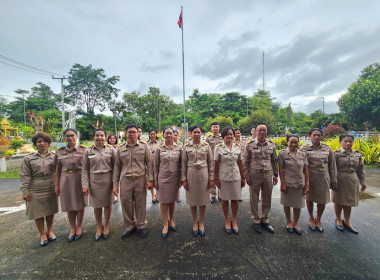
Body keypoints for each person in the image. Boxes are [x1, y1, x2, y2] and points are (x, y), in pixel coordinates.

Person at [113, 124, 153, 239]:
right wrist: (115, 185)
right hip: (126, 180)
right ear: (126, 134)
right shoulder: (120, 149)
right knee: (126, 204)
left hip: (140, 179)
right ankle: (130, 226)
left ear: (137, 133)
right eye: (129, 132)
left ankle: (142, 225)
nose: (132, 134)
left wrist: (150, 180)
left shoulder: (144, 147)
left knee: (141, 203)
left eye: (134, 132)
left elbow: (149, 163)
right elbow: (117, 167)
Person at [20, 132, 58, 246]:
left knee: (50, 211)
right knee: (38, 213)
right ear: (35, 144)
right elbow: (25, 175)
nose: (42, 143)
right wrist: (25, 190)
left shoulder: (54, 156)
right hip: (35, 187)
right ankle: (42, 234)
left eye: (45, 141)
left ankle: (49, 231)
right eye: (39, 141)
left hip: (50, 185)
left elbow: (59, 172)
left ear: (48, 143)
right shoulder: (29, 158)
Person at [300, 128, 337, 232]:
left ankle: (318, 219)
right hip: (310, 177)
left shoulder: (327, 148)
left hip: (323, 177)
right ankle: (311, 218)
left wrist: (334, 180)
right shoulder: (304, 148)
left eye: (319, 135)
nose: (316, 137)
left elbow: (332, 165)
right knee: (309, 198)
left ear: (322, 136)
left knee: (322, 199)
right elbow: (300, 164)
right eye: (314, 135)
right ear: (309, 136)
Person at [82, 128, 115, 241]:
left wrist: (115, 184)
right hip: (94, 181)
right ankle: (98, 227)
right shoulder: (88, 151)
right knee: (96, 206)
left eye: (102, 135)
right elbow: (85, 169)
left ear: (105, 137)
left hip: (107, 180)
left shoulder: (111, 150)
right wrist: (85, 185)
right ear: (94, 137)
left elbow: (115, 168)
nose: (99, 137)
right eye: (97, 135)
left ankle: (106, 225)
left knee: (107, 204)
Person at [244, 122, 278, 234]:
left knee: (267, 197)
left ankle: (265, 218)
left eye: (264, 130)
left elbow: (274, 161)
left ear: (266, 132)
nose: (262, 132)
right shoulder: (249, 144)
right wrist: (247, 176)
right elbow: (246, 161)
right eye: (260, 130)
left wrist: (276, 175)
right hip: (254, 174)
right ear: (256, 131)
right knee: (254, 197)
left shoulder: (271, 144)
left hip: (268, 174)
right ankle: (256, 220)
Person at [55, 128, 87, 242]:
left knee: (80, 204)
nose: (70, 138)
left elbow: (87, 167)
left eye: (72, 135)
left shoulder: (84, 150)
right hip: (66, 180)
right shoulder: (59, 151)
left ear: (77, 136)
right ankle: (72, 228)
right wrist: (57, 186)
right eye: (67, 136)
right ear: (64, 138)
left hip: (79, 178)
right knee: (69, 205)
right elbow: (57, 169)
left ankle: (79, 226)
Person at [181, 125, 214, 237]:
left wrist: (211, 178)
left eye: (198, 132)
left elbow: (210, 163)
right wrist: (184, 180)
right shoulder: (186, 146)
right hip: (191, 175)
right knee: (193, 201)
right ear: (191, 133)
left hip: (203, 175)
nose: (196, 134)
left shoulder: (206, 146)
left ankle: (202, 223)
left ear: (201, 133)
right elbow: (183, 164)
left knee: (203, 201)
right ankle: (195, 222)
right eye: (194, 132)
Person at [332, 134, 366, 234]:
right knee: (338, 201)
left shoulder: (357, 154)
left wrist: (362, 182)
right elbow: (332, 169)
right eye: (345, 141)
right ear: (340, 142)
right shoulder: (336, 154)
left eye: (350, 141)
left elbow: (360, 169)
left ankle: (347, 220)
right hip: (339, 180)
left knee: (349, 201)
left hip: (353, 180)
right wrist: (333, 181)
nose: (348, 143)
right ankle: (338, 219)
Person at [214, 126, 245, 234]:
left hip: (236, 177)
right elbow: (216, 165)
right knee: (225, 200)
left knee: (235, 200)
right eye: (227, 134)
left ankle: (234, 220)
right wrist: (216, 178)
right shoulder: (218, 147)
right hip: (224, 178)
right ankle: (227, 220)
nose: (230, 136)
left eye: (231, 134)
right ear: (223, 136)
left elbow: (240, 163)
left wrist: (243, 177)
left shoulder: (237, 147)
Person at [278, 135, 309, 235]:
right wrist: (282, 183)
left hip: (300, 183)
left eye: (295, 142)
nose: (293, 144)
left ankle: (295, 223)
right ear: (287, 142)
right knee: (287, 203)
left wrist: (307, 184)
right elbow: (280, 169)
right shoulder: (283, 153)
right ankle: (288, 222)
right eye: (291, 142)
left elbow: (306, 169)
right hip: (288, 182)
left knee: (298, 204)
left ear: (298, 143)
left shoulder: (303, 154)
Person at [154, 127, 182, 239]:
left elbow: (181, 165)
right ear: (163, 135)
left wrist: (181, 179)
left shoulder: (179, 147)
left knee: (172, 201)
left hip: (175, 178)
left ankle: (171, 220)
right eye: (167, 133)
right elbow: (155, 166)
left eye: (171, 133)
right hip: (163, 178)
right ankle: (165, 224)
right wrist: (155, 180)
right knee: (164, 201)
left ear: (173, 134)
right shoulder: (159, 149)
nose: (169, 135)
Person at [205, 122, 224, 203]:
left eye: (217, 127)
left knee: (221, 177)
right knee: (212, 177)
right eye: (214, 127)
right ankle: (213, 195)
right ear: (211, 128)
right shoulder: (208, 138)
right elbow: (205, 149)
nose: (215, 128)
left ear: (219, 128)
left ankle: (221, 194)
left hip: (221, 161)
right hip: (212, 161)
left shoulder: (222, 137)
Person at [147, 129, 160, 203]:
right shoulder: (146, 144)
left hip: (158, 164)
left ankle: (157, 194)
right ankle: (153, 196)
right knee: (151, 179)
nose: (152, 135)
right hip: (150, 164)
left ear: (156, 135)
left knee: (158, 179)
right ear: (149, 135)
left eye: (154, 134)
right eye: (151, 134)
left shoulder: (160, 143)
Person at [107, 133, 119, 204]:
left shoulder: (119, 147)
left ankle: (116, 195)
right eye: (111, 138)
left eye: (114, 138)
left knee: (117, 182)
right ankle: (111, 195)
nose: (112, 139)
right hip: (109, 167)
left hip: (117, 167)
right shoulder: (106, 147)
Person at [172, 130, 182, 203]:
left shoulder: (180, 144)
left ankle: (177, 196)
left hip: (178, 165)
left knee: (177, 183)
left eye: (176, 135)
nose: (175, 137)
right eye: (174, 135)